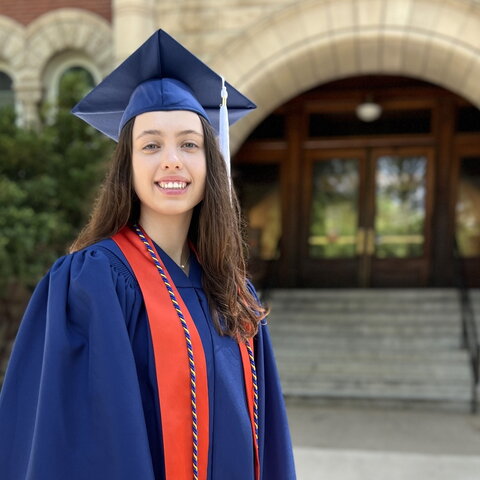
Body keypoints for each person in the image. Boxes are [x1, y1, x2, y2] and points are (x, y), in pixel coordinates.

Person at [0, 30, 296, 480]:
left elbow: (268, 440)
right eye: (151, 145)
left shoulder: (236, 294)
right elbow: (77, 444)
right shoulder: (93, 282)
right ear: (129, 166)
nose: (172, 160)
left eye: (190, 144)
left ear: (209, 164)